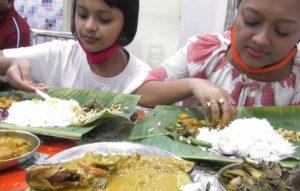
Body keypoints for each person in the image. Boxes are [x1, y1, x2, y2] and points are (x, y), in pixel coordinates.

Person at [135, 0, 300, 126]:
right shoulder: (203, 52)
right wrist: (194, 85)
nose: (261, 39)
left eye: (282, 31)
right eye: (251, 21)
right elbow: (141, 93)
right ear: (237, 13)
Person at [0, 0, 151, 94]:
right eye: (82, 15)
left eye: (104, 19)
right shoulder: (59, 55)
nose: (89, 26)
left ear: (127, 23)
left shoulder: (141, 77)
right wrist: (9, 64)